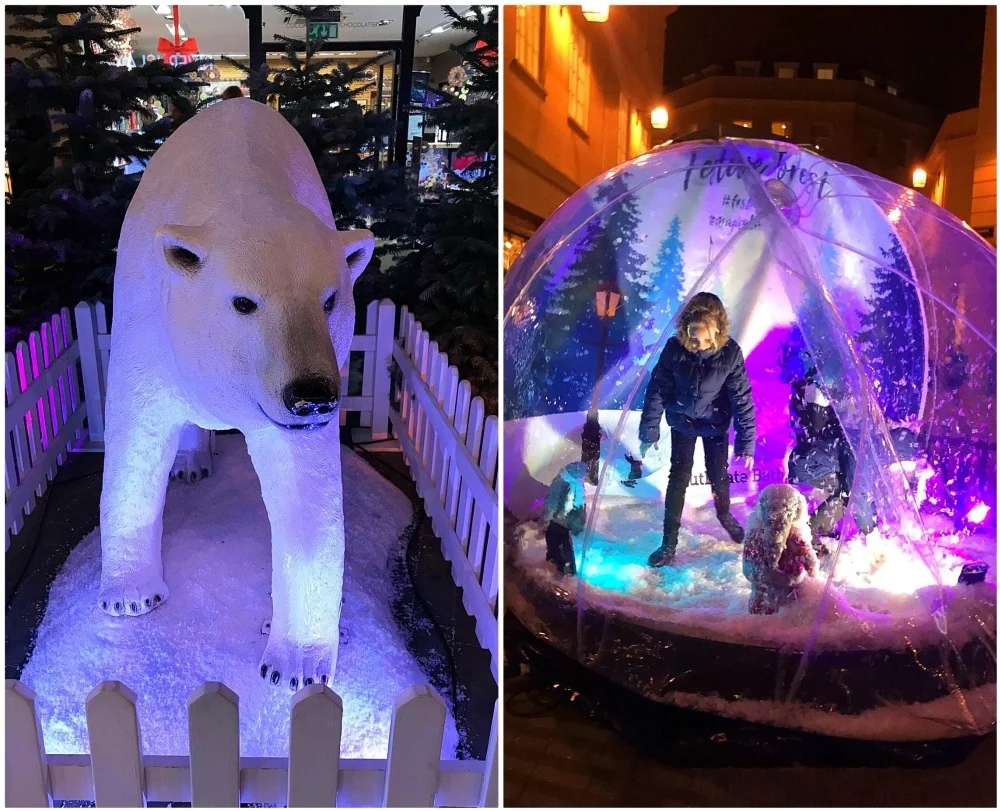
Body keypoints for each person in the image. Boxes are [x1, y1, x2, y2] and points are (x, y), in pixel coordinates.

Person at [638, 292, 756, 567]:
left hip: (715, 424)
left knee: (718, 475)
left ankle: (724, 514)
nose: (698, 345)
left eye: (705, 339)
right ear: (685, 329)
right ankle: (668, 543)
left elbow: (742, 398)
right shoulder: (674, 350)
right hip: (683, 421)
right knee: (678, 477)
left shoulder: (730, 354)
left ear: (718, 329)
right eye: (693, 337)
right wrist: (649, 431)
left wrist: (745, 442)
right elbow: (657, 389)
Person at [540, 461, 588, 576]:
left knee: (558, 547)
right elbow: (577, 504)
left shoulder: (569, 482)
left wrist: (547, 517)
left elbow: (552, 500)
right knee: (562, 547)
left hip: (560, 522)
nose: (585, 477)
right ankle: (564, 571)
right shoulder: (573, 484)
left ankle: (561, 571)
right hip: (562, 522)